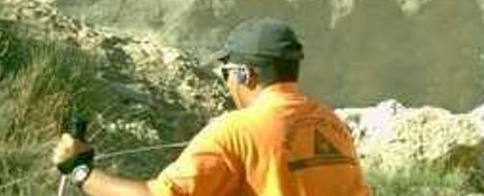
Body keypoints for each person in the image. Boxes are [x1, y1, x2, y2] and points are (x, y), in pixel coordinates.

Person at [52, 17, 373, 196]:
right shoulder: (331, 124)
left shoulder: (235, 130)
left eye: (226, 74)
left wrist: (80, 172)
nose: (227, 84)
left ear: (245, 74)